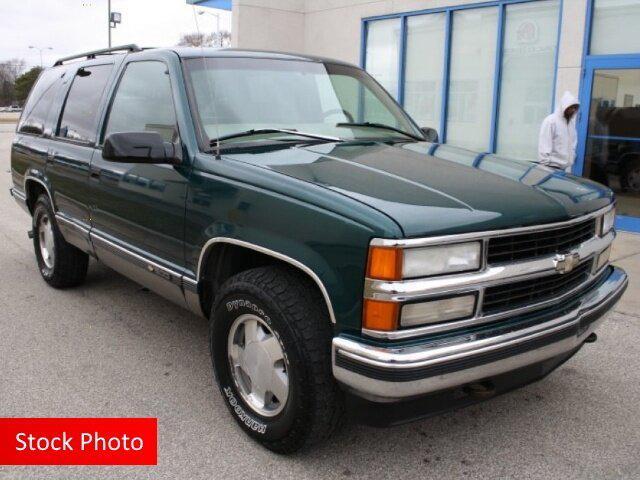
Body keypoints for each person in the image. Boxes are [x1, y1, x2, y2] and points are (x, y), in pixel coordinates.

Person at [538, 91, 580, 172]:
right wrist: (545, 166)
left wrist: (572, 157)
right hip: (550, 167)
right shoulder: (551, 121)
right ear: (564, 106)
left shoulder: (570, 124)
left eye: (575, 108)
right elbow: (544, 144)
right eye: (571, 107)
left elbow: (573, 143)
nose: (573, 110)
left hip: (563, 168)